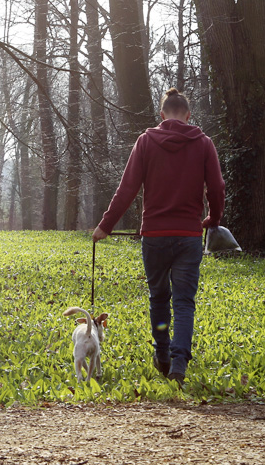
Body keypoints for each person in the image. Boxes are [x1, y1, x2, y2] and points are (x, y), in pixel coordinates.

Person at [91, 88, 225, 386]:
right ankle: (179, 363)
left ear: (162, 115)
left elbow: (127, 189)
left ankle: (162, 354)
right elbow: (216, 189)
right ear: (189, 116)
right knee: (184, 302)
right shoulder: (203, 144)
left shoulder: (146, 142)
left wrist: (106, 225)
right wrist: (213, 219)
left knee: (159, 298)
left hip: (154, 235)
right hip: (189, 235)